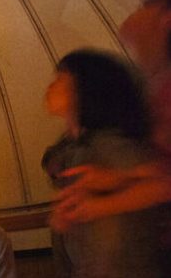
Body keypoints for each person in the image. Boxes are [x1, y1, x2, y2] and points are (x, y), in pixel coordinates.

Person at [51, 0, 171, 233]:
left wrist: (100, 205)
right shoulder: (155, 89)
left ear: (166, 19)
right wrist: (123, 178)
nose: (130, 21)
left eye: (143, 8)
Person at [41, 49, 163, 277]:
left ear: (86, 89)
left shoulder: (109, 146)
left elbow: (162, 182)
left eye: (60, 79)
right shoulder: (77, 149)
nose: (50, 86)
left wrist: (101, 203)